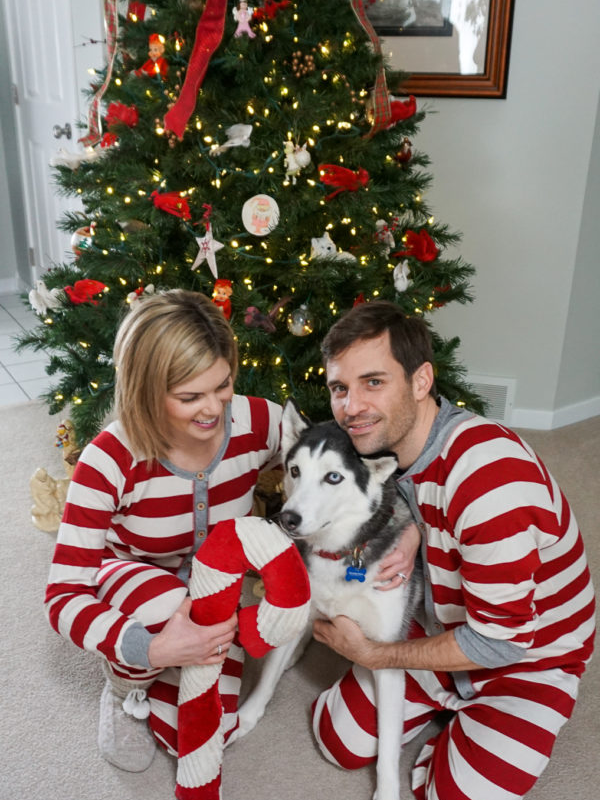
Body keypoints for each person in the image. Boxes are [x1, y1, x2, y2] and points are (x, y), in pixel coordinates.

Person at [44, 290, 412, 775]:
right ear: (146, 391)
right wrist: (149, 649)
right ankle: (126, 684)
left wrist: (410, 530)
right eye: (189, 396)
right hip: (132, 574)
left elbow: (346, 467)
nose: (213, 409)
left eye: (222, 385)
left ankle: (171, 663)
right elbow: (63, 594)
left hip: (216, 587)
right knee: (165, 617)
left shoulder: (255, 421)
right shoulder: (108, 460)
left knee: (198, 735)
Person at [311, 300, 596, 800]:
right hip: (445, 617)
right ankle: (446, 702)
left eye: (373, 382)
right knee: (335, 738)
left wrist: (376, 653)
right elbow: (420, 500)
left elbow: (501, 642)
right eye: (339, 388)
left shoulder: (490, 480)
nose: (351, 407)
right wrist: (416, 532)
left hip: (529, 649)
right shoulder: (387, 447)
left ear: (422, 381)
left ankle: (467, 723)